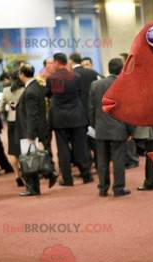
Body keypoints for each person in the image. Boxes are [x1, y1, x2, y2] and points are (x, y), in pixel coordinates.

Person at [89, 58, 133, 197]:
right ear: (121, 69)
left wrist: (94, 126)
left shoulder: (95, 84)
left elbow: (90, 108)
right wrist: (130, 130)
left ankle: (103, 188)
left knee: (101, 160)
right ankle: (118, 188)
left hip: (100, 128)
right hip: (119, 128)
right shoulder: (124, 85)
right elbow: (128, 110)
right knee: (118, 159)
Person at [46, 53, 92, 186]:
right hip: (76, 116)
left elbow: (48, 94)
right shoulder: (76, 76)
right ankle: (86, 175)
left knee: (63, 149)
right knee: (81, 147)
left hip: (60, 118)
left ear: (57, 62)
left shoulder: (52, 78)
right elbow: (79, 93)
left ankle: (67, 179)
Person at [16, 64, 58, 196]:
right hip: (35, 128)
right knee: (34, 158)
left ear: (22, 74)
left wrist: (30, 135)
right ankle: (40, 182)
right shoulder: (36, 86)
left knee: (30, 160)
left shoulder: (30, 90)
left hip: (31, 130)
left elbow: (32, 114)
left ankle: (40, 181)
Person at [69, 53, 99, 169]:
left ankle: (86, 165)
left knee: (82, 141)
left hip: (78, 113)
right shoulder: (92, 73)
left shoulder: (71, 75)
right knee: (95, 140)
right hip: (93, 111)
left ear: (71, 61)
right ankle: (99, 163)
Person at [0, 70, 25, 186]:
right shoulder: (24, 89)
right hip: (23, 121)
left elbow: (0, 108)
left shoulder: (6, 91)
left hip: (12, 122)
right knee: (25, 148)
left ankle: (17, 175)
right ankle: (28, 173)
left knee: (13, 150)